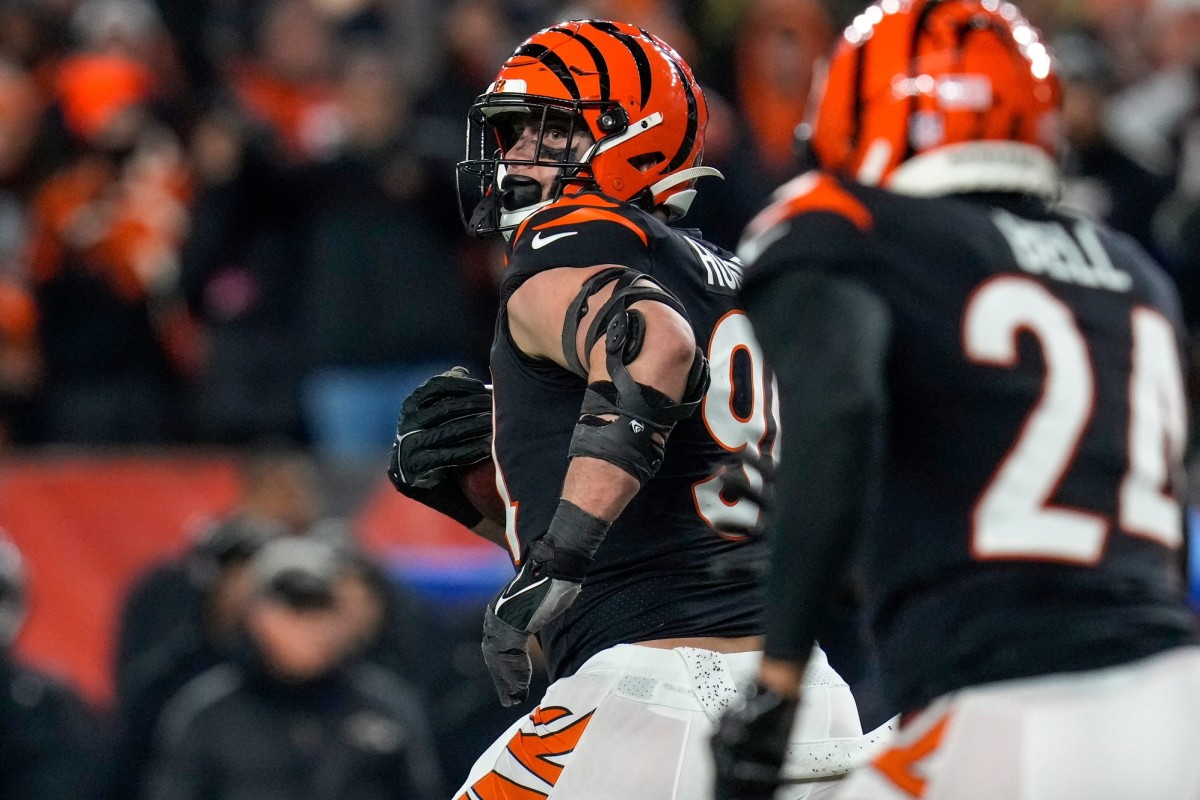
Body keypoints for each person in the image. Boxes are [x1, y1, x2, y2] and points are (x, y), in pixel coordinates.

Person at [711, 1, 1200, 798]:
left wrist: (778, 677)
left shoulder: (849, 226)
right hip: (1180, 699)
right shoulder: (1129, 269)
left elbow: (841, 411)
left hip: (1007, 708)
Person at [389, 19, 880, 799]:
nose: (512, 156)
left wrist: (556, 558)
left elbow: (651, 345)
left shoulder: (575, 236)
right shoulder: (733, 274)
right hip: (804, 698)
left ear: (630, 137)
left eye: (542, 131)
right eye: (509, 132)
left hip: (654, 696)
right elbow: (693, 498)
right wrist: (500, 487)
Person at [144, 536, 445, 800]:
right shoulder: (207, 715)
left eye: (322, 608)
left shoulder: (386, 706)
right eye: (294, 609)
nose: (310, 626)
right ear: (255, 617)